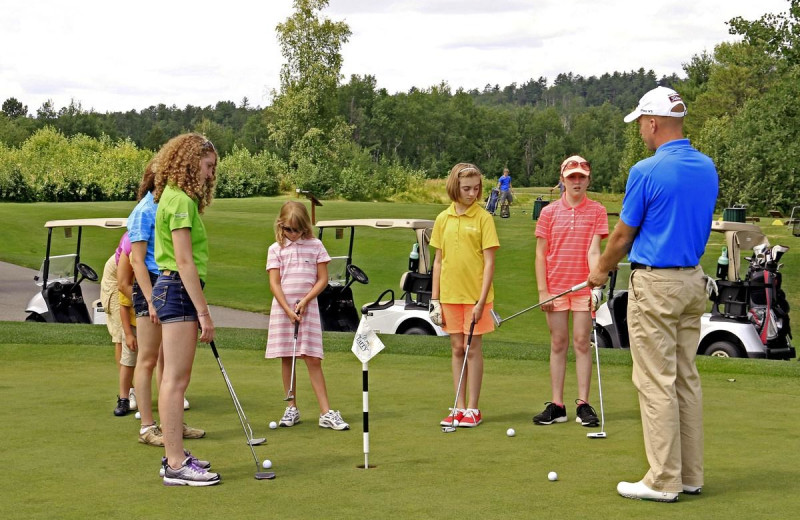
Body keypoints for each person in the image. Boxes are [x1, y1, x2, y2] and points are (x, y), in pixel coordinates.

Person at [587, 86, 718, 502]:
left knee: (655, 381)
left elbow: (623, 233)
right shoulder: (707, 166)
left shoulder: (646, 170)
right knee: (684, 379)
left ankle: (663, 480)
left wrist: (600, 271)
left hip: (657, 285)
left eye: (642, 123)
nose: (641, 130)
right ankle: (690, 475)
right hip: (692, 283)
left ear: (654, 122)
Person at [151, 133, 218, 486]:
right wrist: (204, 313)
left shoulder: (175, 198)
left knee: (175, 379)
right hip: (178, 290)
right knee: (175, 381)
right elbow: (184, 260)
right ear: (192, 162)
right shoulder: (179, 202)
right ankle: (175, 464)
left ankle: (174, 457)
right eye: (208, 166)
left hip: (175, 290)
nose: (210, 175)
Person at [532, 155, 608, 427]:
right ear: (562, 179)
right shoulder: (549, 212)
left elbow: (594, 250)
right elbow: (541, 254)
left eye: (582, 176)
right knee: (558, 343)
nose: (577, 181)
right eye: (572, 176)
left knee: (581, 343)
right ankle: (557, 405)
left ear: (588, 180)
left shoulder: (597, 211)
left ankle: (584, 404)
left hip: (582, 289)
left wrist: (596, 286)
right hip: (555, 287)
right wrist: (543, 291)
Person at [128, 162, 201, 447]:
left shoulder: (166, 205)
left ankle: (172, 425)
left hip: (165, 286)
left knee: (167, 361)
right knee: (148, 357)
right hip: (151, 288)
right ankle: (147, 426)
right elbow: (136, 260)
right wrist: (150, 300)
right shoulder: (144, 210)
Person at [267, 200, 349, 431]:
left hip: (308, 309)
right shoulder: (275, 249)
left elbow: (322, 279)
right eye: (287, 229)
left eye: (297, 230)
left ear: (305, 227)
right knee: (287, 357)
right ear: (280, 225)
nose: (292, 234)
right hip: (284, 311)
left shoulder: (315, 245)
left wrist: (304, 301)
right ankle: (291, 407)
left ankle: (325, 412)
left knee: (312, 358)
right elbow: (274, 283)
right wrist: (287, 308)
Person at [430, 162, 500, 428]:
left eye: (476, 188)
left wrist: (481, 302)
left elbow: (490, 262)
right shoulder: (442, 219)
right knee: (457, 348)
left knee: (473, 350)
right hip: (449, 296)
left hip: (475, 297)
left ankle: (473, 408)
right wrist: (434, 300)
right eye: (467, 188)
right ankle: (458, 407)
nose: (472, 193)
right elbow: (438, 261)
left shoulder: (484, 218)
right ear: (454, 188)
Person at [100, 232, 138, 417]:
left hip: (137, 273)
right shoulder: (134, 237)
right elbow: (123, 286)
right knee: (122, 337)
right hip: (118, 276)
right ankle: (128, 393)